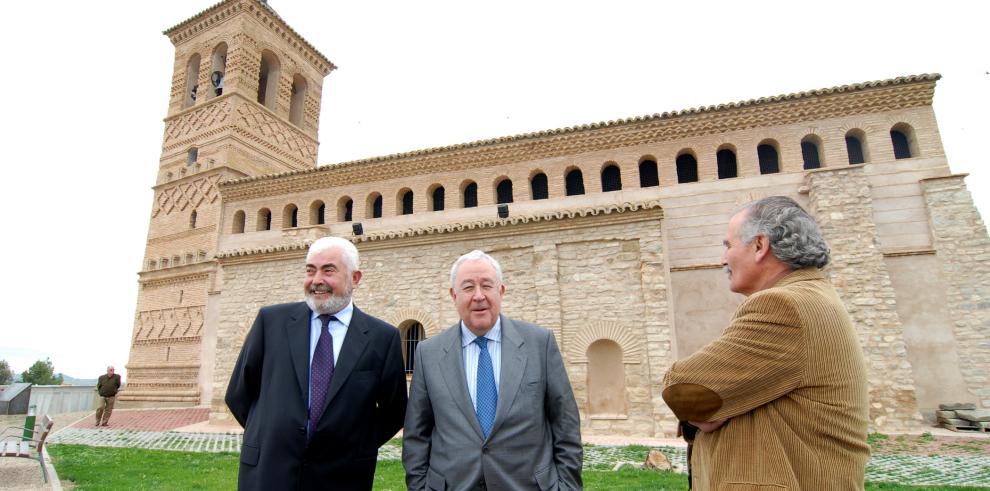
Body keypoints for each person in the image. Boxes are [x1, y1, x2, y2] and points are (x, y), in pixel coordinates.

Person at [662, 196, 870, 490]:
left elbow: (682, 388)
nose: (723, 260)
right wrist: (708, 410)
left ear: (760, 246)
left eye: (728, 246)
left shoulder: (784, 306)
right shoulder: (812, 296)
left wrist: (701, 411)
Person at [225, 236, 407, 490]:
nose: (316, 280)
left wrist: (355, 443)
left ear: (355, 278)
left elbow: (394, 410)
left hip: (343, 477)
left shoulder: (382, 338)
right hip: (269, 472)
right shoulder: (271, 322)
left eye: (328, 270)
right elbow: (239, 394)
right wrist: (273, 434)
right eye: (310, 270)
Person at [403, 250, 583, 490]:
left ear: (501, 291)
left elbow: (565, 425)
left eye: (487, 286)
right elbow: (417, 434)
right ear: (453, 295)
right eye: (468, 287)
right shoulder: (428, 353)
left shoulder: (540, 344)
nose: (479, 296)